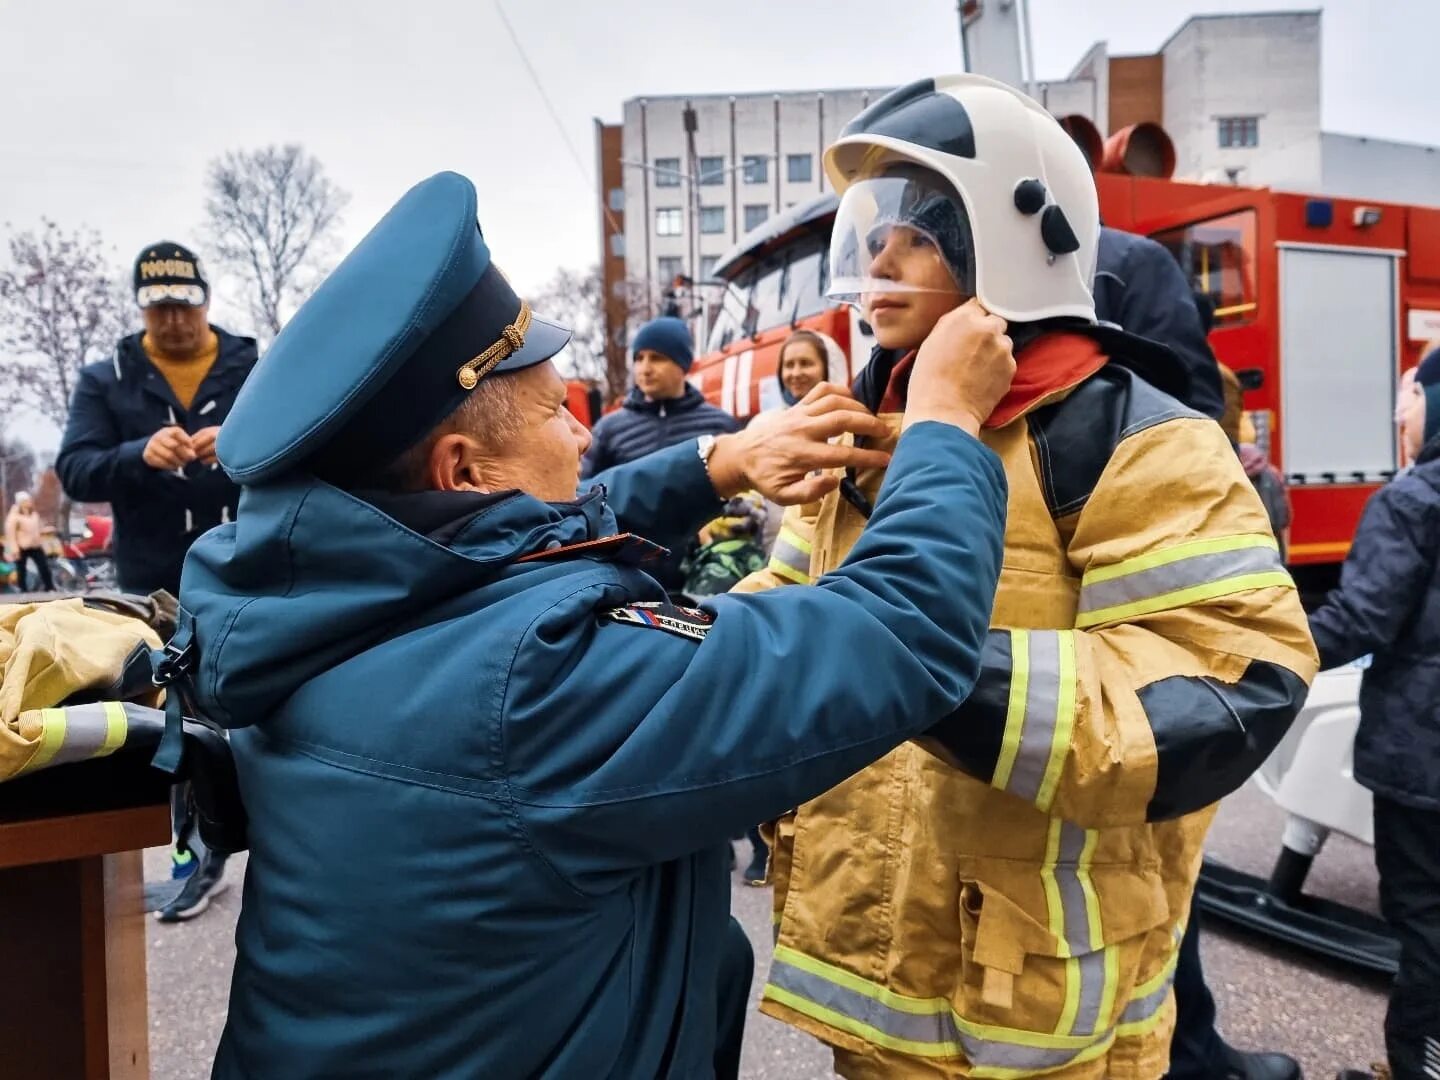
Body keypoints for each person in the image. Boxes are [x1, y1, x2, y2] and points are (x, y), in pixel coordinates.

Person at [172, 170, 1016, 1079]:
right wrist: (945, 421)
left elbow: (507, 542)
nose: (584, 437)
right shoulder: (536, 684)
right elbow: (901, 632)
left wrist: (720, 463)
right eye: (555, 414)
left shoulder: (314, 601)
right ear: (463, 470)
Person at [738, 75, 1317, 1079]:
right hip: (876, 991)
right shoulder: (866, 437)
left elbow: (1225, 689)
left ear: (1003, 240)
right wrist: (679, 643)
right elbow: (781, 617)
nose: (877, 260)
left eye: (912, 232)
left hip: (1039, 1022)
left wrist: (908, 668)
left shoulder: (1131, 439)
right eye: (872, 231)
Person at [1091, 230, 1299, 1080]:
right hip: (1125, 580)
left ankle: (1188, 1043)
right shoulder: (1132, 262)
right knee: (1146, 844)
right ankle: (1186, 1053)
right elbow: (1184, 395)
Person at [55, 241, 257, 922]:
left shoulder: (252, 364)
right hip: (151, 576)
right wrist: (135, 453)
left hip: (241, 558)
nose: (173, 319)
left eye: (184, 303)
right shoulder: (108, 376)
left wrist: (241, 440)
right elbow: (77, 467)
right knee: (175, 713)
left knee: (253, 696)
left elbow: (304, 441)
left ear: (205, 297)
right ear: (143, 306)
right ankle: (191, 853)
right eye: (159, 306)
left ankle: (272, 834)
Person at [1311, 346, 1440, 1080]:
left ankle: (1419, 1064)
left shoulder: (1414, 499)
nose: (1400, 412)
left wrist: (1263, 650)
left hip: (1423, 755)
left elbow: (1360, 620)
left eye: (1413, 395)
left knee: (1425, 916)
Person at [4, 492, 53, 592]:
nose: (29, 502)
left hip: (35, 545)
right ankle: (23, 589)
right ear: (20, 502)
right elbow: (11, 535)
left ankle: (49, 587)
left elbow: (38, 529)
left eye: (29, 500)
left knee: (44, 566)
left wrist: (47, 530)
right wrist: (15, 549)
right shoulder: (14, 517)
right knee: (21, 570)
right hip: (22, 547)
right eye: (26, 500)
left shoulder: (34, 515)